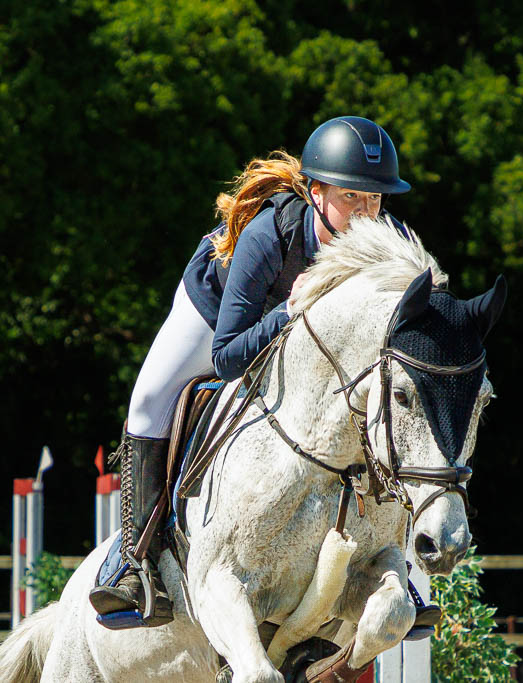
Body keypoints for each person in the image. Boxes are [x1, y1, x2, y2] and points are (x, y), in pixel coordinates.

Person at [89, 116, 419, 627]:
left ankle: (396, 569)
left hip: (299, 334)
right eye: (352, 197)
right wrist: (290, 311)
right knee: (148, 401)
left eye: (376, 199)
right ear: (315, 192)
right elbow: (227, 356)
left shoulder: (387, 240)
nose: (366, 212)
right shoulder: (270, 233)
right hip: (221, 312)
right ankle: (134, 561)